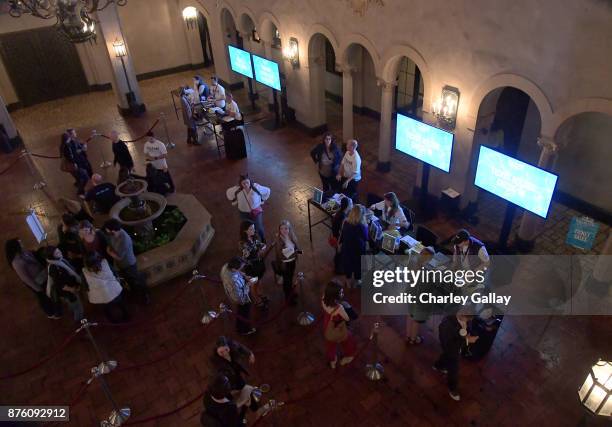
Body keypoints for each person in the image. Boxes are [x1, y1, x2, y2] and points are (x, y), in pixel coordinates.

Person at [6, 239, 60, 319]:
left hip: (42, 275)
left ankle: (54, 304)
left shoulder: (23, 252)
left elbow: (33, 256)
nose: (22, 244)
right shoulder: (16, 263)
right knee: (43, 298)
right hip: (37, 281)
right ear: (15, 247)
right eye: (20, 244)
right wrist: (37, 288)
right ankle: (50, 313)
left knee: (48, 292)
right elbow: (26, 278)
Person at [433, 309, 479, 401]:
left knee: (446, 356)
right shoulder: (447, 325)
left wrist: (468, 333)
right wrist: (467, 340)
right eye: (467, 319)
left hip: (454, 348)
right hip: (451, 348)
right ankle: (452, 389)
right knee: (454, 370)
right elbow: (450, 344)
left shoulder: (465, 318)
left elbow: (466, 326)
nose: (469, 321)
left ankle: (438, 365)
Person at [103, 219, 150, 304]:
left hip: (129, 264)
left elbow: (120, 257)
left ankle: (145, 294)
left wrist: (109, 252)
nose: (107, 232)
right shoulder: (113, 234)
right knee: (129, 280)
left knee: (137, 280)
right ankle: (134, 291)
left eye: (108, 230)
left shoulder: (124, 239)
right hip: (121, 265)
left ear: (113, 230)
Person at [210, 336, 258, 412]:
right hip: (229, 381)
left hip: (236, 373)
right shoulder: (215, 361)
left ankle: (254, 406)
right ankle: (244, 409)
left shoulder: (232, 345)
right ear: (217, 351)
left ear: (228, 346)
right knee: (234, 398)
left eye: (226, 350)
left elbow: (240, 347)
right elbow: (217, 374)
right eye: (221, 352)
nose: (225, 353)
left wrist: (249, 353)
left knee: (245, 390)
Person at [82, 253, 129, 323]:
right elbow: (115, 273)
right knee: (120, 304)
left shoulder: (85, 272)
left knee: (106, 310)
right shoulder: (105, 264)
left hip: (100, 297)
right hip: (114, 290)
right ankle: (126, 316)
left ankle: (112, 321)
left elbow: (86, 286)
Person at [321, 281, 357, 369]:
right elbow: (347, 318)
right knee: (347, 340)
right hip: (339, 326)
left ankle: (332, 360)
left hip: (328, 325)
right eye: (340, 292)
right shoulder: (339, 308)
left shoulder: (323, 299)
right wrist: (347, 306)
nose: (342, 293)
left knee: (330, 345)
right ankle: (349, 356)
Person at [226, 174, 270, 242]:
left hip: (256, 211)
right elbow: (229, 193)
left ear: (250, 182)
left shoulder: (256, 187)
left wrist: (262, 200)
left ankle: (263, 239)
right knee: (247, 228)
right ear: (241, 184)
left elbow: (267, 191)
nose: (246, 185)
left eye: (247, 182)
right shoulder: (237, 189)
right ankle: (251, 240)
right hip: (243, 213)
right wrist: (235, 201)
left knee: (259, 227)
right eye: (244, 183)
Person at [44, 246, 84, 322]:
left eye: (58, 250)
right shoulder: (54, 268)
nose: (60, 252)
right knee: (78, 307)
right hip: (68, 292)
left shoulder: (59, 260)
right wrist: (71, 289)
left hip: (71, 288)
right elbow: (59, 284)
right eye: (57, 253)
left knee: (73, 305)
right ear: (51, 256)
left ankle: (73, 310)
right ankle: (80, 321)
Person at [405, 246, 435, 345]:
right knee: (416, 321)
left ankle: (408, 336)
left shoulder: (413, 261)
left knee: (410, 316)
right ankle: (413, 339)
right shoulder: (426, 271)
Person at [220, 257, 256, 335]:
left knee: (240, 312)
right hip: (240, 298)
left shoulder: (226, 267)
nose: (242, 269)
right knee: (244, 312)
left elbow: (236, 272)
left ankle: (239, 326)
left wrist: (243, 275)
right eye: (240, 268)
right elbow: (239, 296)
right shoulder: (233, 281)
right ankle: (244, 330)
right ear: (234, 269)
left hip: (233, 293)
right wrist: (248, 285)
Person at [239, 220, 270, 309]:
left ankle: (260, 294)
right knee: (253, 283)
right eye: (251, 228)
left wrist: (262, 246)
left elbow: (259, 244)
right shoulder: (242, 243)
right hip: (251, 267)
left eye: (253, 228)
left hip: (258, 264)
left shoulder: (253, 237)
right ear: (245, 230)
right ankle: (257, 300)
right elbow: (245, 258)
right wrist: (257, 250)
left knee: (259, 280)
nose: (254, 230)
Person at [339, 205, 368, 288]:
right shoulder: (362, 226)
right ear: (361, 215)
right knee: (358, 266)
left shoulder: (345, 222)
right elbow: (366, 238)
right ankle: (356, 282)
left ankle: (348, 282)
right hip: (358, 250)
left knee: (348, 265)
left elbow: (343, 234)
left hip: (347, 248)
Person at [274, 220, 300, 305]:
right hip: (285, 264)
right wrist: (293, 251)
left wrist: (296, 251)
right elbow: (281, 255)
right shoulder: (279, 240)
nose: (284, 230)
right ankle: (288, 299)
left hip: (292, 262)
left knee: (290, 277)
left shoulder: (291, 237)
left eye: (286, 228)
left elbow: (295, 248)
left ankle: (290, 293)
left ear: (289, 229)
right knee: (287, 281)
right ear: (279, 230)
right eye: (282, 229)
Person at [59, 130, 90, 195]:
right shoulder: (67, 146)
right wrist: (75, 163)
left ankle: (78, 184)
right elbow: (71, 156)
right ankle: (80, 192)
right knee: (85, 177)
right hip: (74, 165)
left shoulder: (63, 146)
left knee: (79, 176)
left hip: (72, 165)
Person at [331, 197, 353, 273]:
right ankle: (338, 269)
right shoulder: (343, 216)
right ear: (347, 206)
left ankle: (337, 262)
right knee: (340, 252)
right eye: (350, 205)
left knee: (339, 252)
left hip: (335, 234)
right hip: (339, 238)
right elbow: (342, 230)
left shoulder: (339, 212)